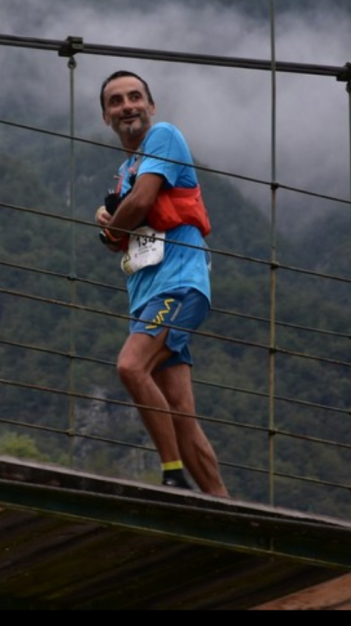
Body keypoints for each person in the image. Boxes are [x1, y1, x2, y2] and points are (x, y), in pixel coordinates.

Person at [94, 70, 228, 497]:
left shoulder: (164, 136)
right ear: (105, 117)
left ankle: (172, 476)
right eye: (116, 101)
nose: (127, 106)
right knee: (181, 414)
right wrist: (113, 222)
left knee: (131, 367)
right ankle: (226, 508)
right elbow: (125, 225)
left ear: (151, 106)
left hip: (179, 287)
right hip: (147, 296)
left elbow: (142, 203)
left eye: (135, 97)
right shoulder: (125, 170)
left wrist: (109, 225)